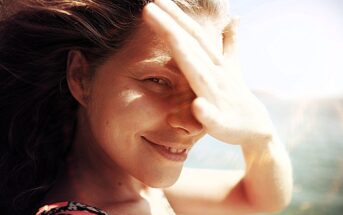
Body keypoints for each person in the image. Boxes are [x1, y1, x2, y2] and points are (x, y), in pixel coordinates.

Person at [0, 0, 293, 214]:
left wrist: (260, 134)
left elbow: (257, 199)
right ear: (81, 76)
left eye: (204, 88)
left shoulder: (141, 187)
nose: (193, 124)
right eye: (158, 81)